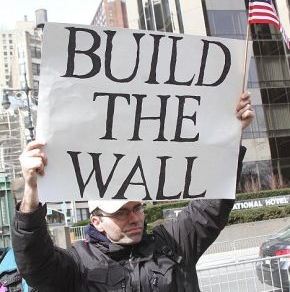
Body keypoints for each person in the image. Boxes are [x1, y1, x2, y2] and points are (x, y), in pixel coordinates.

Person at [12, 92, 254, 292]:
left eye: (136, 207)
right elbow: (36, 263)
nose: (134, 218)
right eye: (121, 213)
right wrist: (32, 191)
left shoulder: (172, 243)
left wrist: (233, 135)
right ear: (96, 221)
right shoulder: (77, 264)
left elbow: (211, 206)